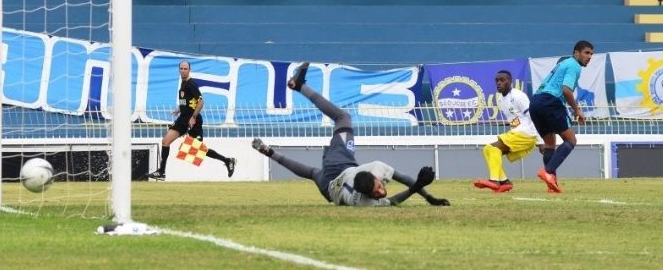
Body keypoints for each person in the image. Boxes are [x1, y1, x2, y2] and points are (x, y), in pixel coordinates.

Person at [252, 62, 450, 207]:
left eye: (379, 188)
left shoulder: (368, 185)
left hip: (335, 175)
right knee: (314, 169)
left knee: (341, 122)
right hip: (335, 182)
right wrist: (424, 193)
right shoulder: (367, 195)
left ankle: (299, 85)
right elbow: (395, 199)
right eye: (379, 190)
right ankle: (270, 147)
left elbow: (403, 182)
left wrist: (426, 194)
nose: (383, 191)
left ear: (374, 178)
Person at [147, 60, 236, 181]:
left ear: (190, 70)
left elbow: (201, 102)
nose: (183, 71)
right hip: (183, 119)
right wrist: (180, 108)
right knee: (165, 141)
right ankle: (161, 172)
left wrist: (193, 117)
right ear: (179, 70)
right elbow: (188, 101)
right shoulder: (183, 84)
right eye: (181, 69)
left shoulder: (191, 84)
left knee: (198, 149)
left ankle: (227, 160)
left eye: (185, 69)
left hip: (193, 121)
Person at [529, 40, 594, 193]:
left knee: (549, 144)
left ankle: (552, 185)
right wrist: (577, 110)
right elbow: (566, 90)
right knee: (571, 140)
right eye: (586, 53)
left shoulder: (562, 65)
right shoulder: (574, 65)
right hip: (551, 102)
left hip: (536, 102)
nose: (589, 56)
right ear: (576, 53)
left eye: (591, 54)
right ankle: (548, 171)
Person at [473, 70, 541, 193]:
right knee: (488, 149)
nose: (499, 83)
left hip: (527, 134)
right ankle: (504, 182)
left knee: (493, 148)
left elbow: (534, 117)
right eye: (497, 80)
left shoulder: (518, 96)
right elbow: (515, 121)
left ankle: (494, 181)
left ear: (510, 82)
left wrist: (541, 141)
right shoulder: (502, 100)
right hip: (517, 133)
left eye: (502, 80)